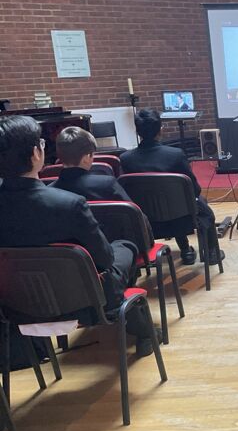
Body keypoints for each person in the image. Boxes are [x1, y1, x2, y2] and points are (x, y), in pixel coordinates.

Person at [0, 115, 157, 356]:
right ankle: (143, 330)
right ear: (35, 154)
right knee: (124, 247)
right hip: (85, 303)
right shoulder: (69, 204)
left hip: (18, 308)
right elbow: (104, 260)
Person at [120, 109, 223, 266]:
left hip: (146, 222)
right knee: (205, 210)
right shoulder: (175, 155)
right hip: (182, 219)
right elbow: (194, 190)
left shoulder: (126, 159)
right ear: (160, 130)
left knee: (167, 205)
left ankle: (176, 251)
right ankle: (211, 254)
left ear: (137, 131)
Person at [51, 126, 132, 201]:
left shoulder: (49, 191)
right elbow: (133, 211)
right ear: (86, 158)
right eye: (93, 154)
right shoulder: (108, 184)